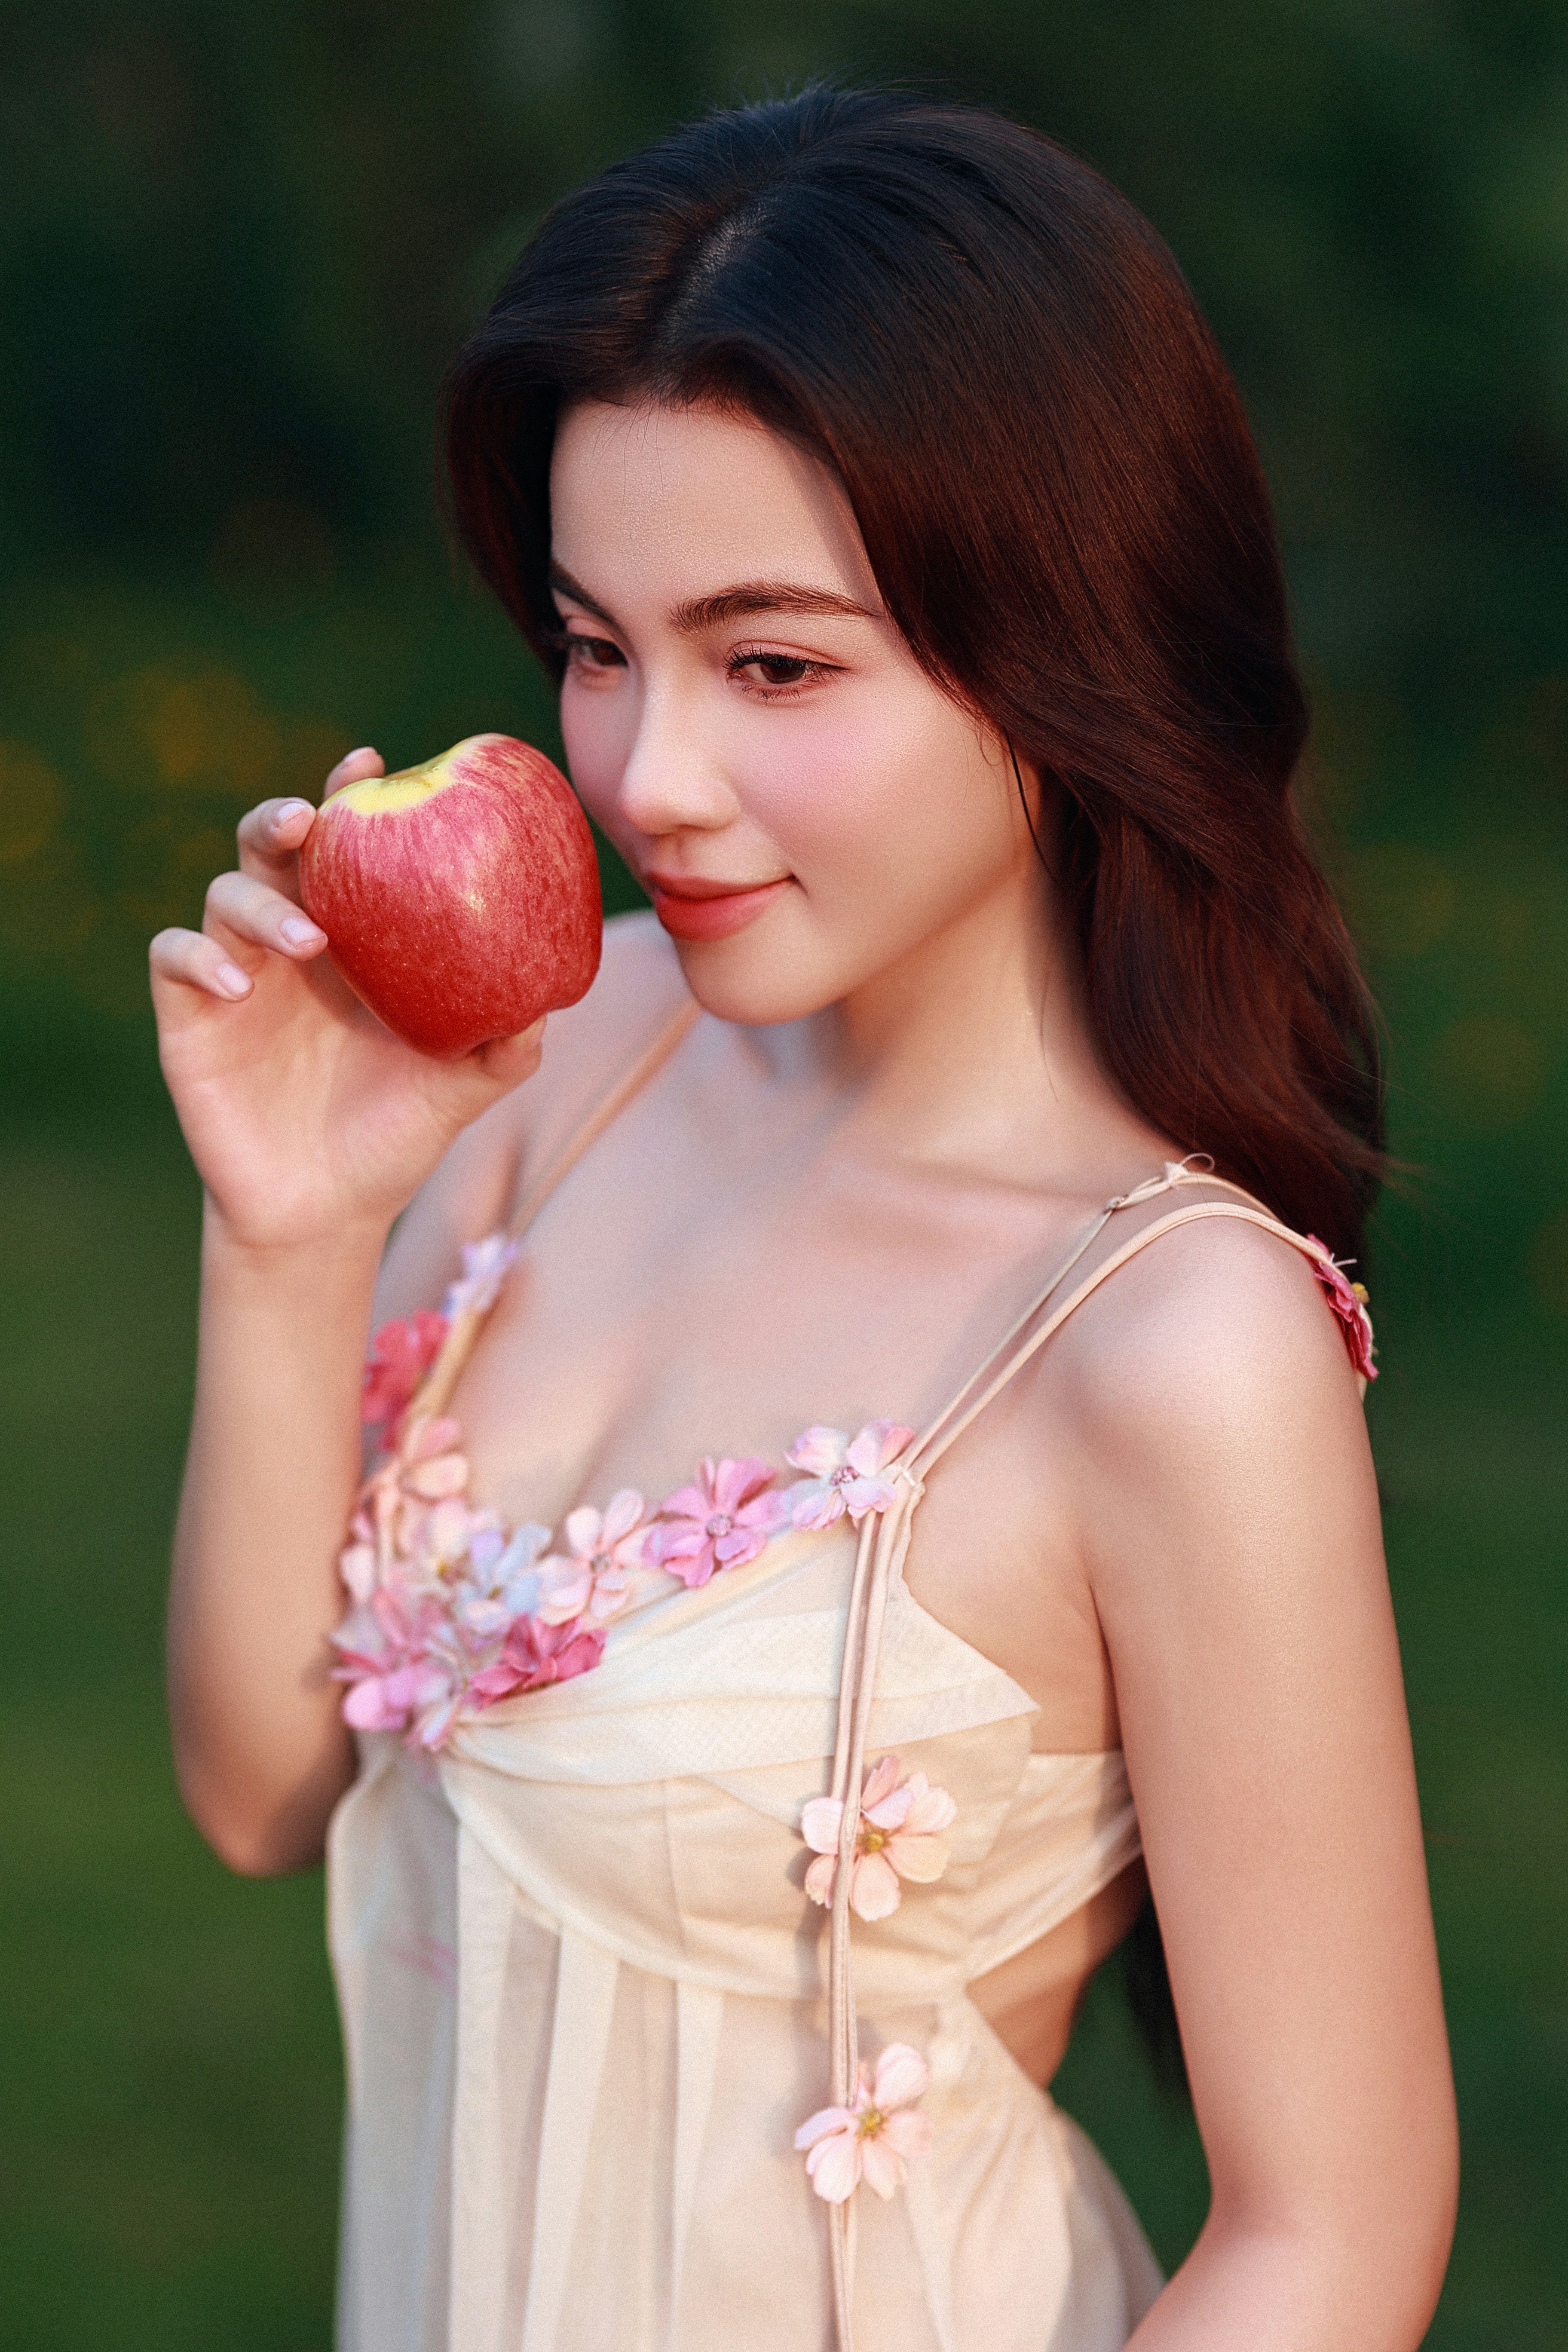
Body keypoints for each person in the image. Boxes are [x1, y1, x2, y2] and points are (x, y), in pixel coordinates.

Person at [151, 86, 1458, 2352]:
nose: (648, 775)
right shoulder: (550, 1070)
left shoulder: (1173, 1341)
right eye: (593, 643)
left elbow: (1331, 2232)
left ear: (1064, 654)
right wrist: (281, 1237)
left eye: (775, 665)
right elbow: (270, 1793)